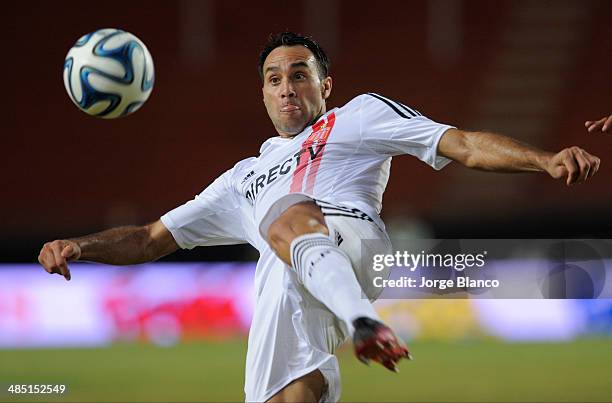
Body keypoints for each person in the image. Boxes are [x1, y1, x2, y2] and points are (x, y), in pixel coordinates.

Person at [38, 32, 601, 402]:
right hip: (292, 271)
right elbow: (150, 238)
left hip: (354, 244)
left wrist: (545, 160)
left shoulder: (359, 116)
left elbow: (462, 143)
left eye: (300, 74)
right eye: (275, 78)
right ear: (262, 93)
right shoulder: (242, 178)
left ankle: (365, 322)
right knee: (286, 387)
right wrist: (78, 247)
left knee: (285, 214)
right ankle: (354, 329)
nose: (288, 88)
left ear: (325, 86)